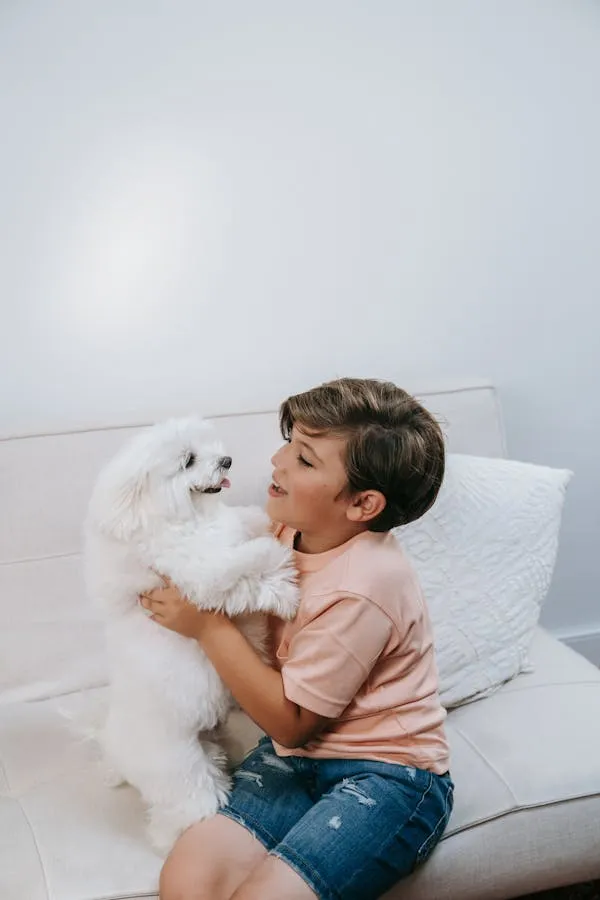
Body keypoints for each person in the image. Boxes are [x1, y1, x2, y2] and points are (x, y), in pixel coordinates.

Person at [141, 377, 453, 900]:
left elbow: (294, 721)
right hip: (293, 759)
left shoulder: (365, 586)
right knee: (187, 879)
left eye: (305, 460)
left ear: (362, 504)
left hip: (387, 776)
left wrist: (207, 625)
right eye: (291, 441)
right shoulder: (290, 530)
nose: (278, 460)